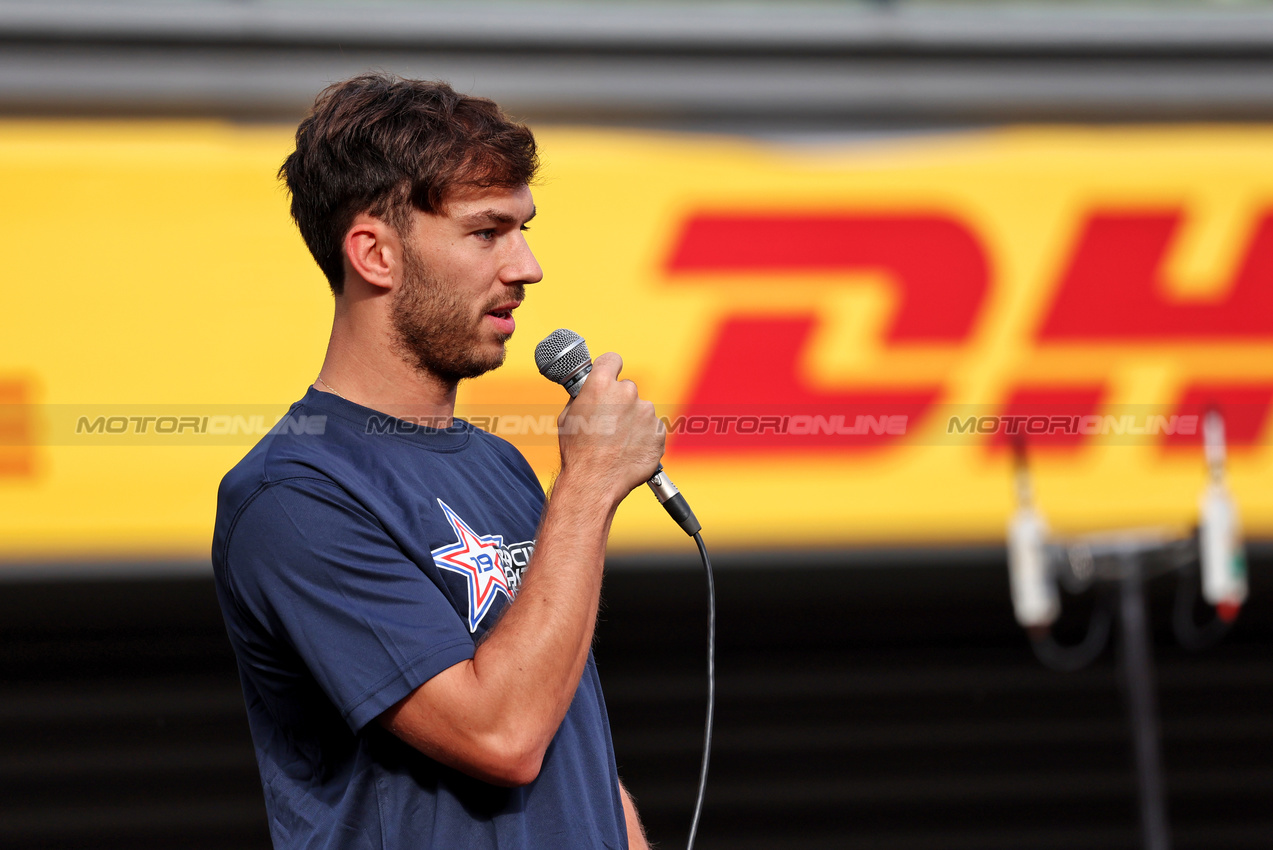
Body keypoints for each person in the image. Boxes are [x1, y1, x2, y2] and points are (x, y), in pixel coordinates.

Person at [211, 73, 662, 849]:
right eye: (487, 232)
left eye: (522, 228)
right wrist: (588, 486)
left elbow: (565, 729)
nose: (526, 266)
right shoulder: (292, 496)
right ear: (375, 254)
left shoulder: (500, 464)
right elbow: (502, 737)